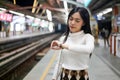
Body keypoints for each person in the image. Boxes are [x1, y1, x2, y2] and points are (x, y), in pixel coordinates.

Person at [51, 7, 95, 80]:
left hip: (81, 77)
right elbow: (59, 62)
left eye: (77, 20)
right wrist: (54, 78)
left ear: (84, 23)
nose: (72, 23)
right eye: (71, 19)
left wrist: (63, 46)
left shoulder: (87, 37)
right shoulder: (64, 38)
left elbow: (89, 49)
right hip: (64, 77)